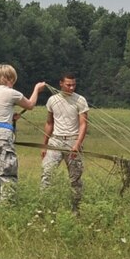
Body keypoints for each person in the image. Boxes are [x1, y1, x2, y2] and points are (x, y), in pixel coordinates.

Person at [0, 64, 49, 204]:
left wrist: (9, 117)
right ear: (9, 78)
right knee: (7, 173)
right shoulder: (11, 93)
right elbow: (30, 105)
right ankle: (7, 206)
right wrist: (37, 89)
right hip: (1, 135)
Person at [40, 72, 91, 207]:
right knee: (47, 173)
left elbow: (83, 124)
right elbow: (49, 123)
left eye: (74, 85)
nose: (71, 88)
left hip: (73, 140)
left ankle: (76, 207)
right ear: (61, 84)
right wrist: (44, 145)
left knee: (75, 178)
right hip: (55, 141)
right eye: (68, 85)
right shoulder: (52, 100)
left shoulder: (80, 100)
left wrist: (77, 144)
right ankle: (44, 206)